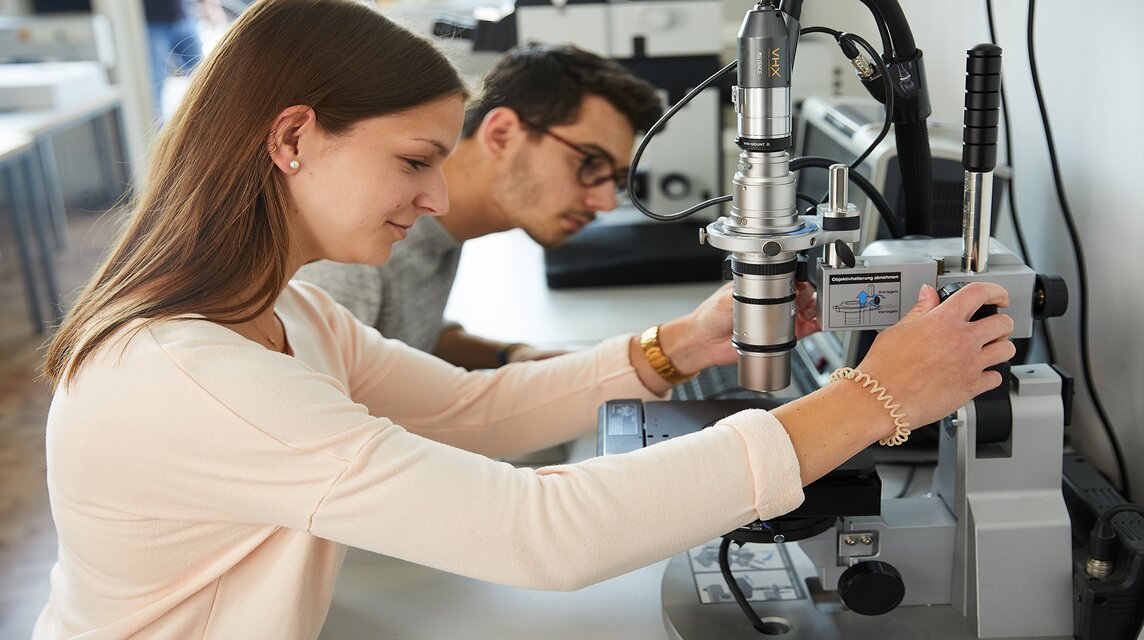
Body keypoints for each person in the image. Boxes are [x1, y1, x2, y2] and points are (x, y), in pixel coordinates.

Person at [33, 0, 1015, 637]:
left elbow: (468, 409)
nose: (431, 196)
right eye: (413, 160)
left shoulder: (281, 314)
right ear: (294, 138)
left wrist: (677, 345)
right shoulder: (193, 372)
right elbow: (538, 532)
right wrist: (871, 397)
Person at [294, 43, 664, 370]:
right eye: (589, 164)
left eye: (613, 179)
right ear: (502, 135)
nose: (603, 203)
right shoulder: (353, 255)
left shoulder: (438, 234)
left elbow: (409, 340)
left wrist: (512, 354)